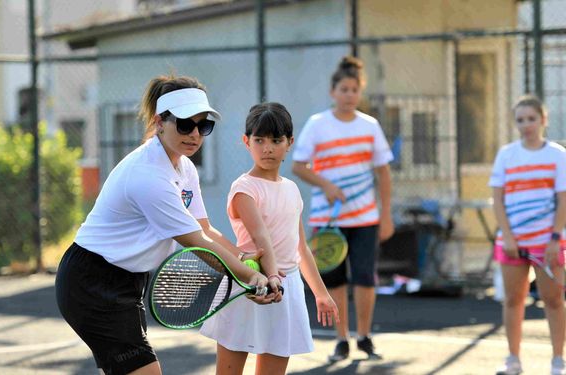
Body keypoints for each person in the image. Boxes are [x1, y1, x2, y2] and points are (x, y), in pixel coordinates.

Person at [55, 75, 276, 375]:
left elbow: (206, 230)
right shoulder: (149, 176)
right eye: (185, 124)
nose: (195, 134)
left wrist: (244, 264)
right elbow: (196, 242)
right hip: (91, 282)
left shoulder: (184, 167)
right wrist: (251, 276)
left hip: (127, 282)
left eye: (204, 125)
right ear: (160, 122)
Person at [200, 102, 339, 375]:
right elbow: (260, 237)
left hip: (285, 290)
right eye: (259, 140)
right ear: (246, 142)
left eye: (276, 140)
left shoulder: (292, 189)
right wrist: (272, 277)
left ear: (289, 143)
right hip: (248, 286)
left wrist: (321, 293)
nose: (267, 148)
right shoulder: (244, 189)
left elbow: (300, 247)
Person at [291, 56, 394, 361]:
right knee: (334, 280)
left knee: (365, 277)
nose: (349, 95)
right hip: (329, 219)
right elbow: (298, 165)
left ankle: (364, 337)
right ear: (332, 91)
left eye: (354, 90)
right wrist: (327, 185)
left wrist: (385, 215)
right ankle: (341, 339)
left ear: (359, 92)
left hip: (365, 219)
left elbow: (384, 173)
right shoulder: (317, 125)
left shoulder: (370, 126)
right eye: (343, 89)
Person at [490, 95, 566, 375]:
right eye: (520, 120)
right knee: (513, 300)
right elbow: (497, 199)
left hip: (547, 242)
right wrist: (508, 237)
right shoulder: (506, 155)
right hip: (512, 243)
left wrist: (555, 238)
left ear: (543, 120)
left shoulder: (557, 155)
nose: (526, 125)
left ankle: (558, 360)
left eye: (531, 119)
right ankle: (513, 359)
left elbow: (563, 199)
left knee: (554, 300)